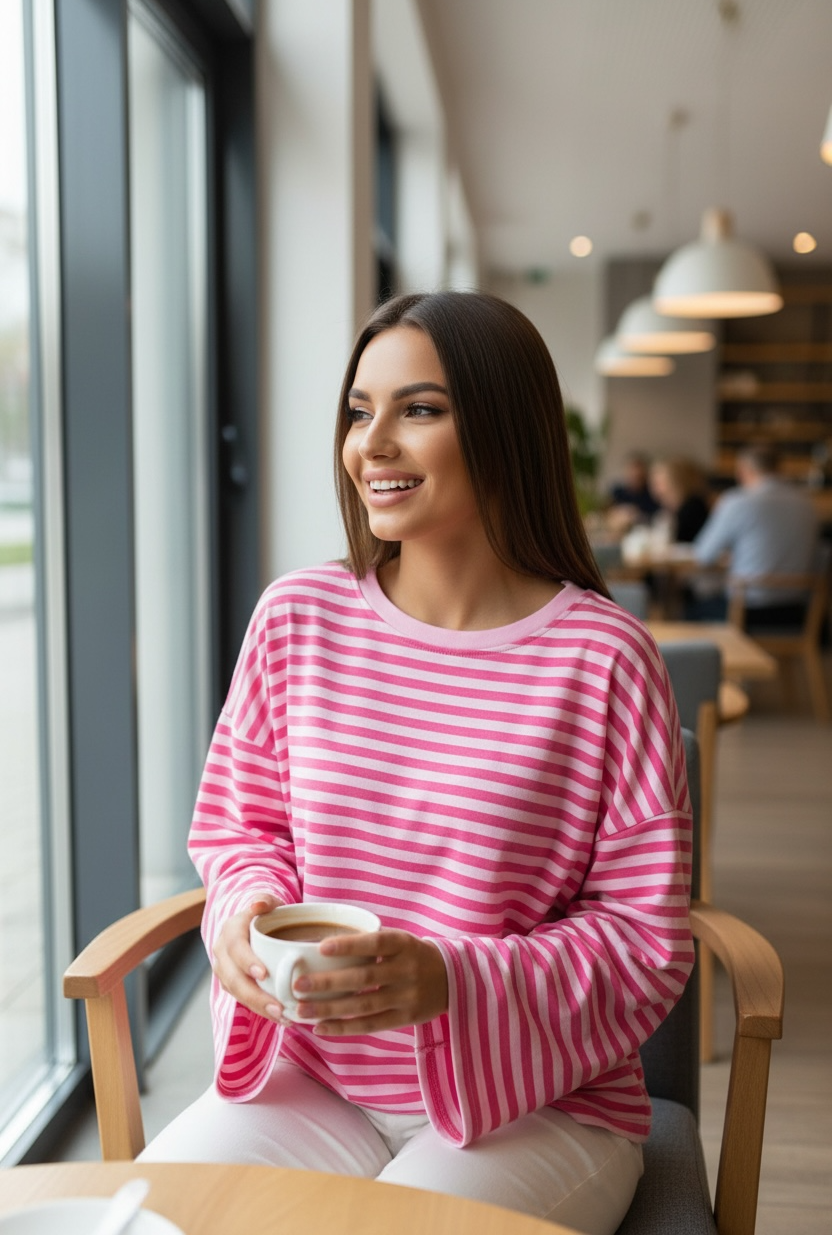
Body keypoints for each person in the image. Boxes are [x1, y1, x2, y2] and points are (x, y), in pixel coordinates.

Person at [141, 292, 694, 1235]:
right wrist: (245, 917)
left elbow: (646, 945)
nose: (372, 444)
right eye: (360, 411)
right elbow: (243, 829)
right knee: (152, 1220)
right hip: (311, 1075)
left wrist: (452, 981)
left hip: (539, 1104)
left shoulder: (604, 660)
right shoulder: (296, 618)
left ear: (505, 427)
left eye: (420, 409)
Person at [686, 443, 819, 624]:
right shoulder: (806, 503)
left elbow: (703, 555)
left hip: (746, 612)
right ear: (778, 468)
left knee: (688, 611)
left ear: (742, 470)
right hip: (796, 611)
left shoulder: (737, 501)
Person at [648, 457, 711, 543]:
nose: (655, 489)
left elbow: (678, 539)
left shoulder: (693, 507)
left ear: (676, 482)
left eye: (659, 483)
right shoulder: (670, 507)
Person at [606, 451, 660, 532]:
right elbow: (608, 513)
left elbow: (658, 517)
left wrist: (637, 515)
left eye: (638, 476)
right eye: (632, 473)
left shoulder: (652, 493)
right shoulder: (618, 492)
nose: (635, 475)